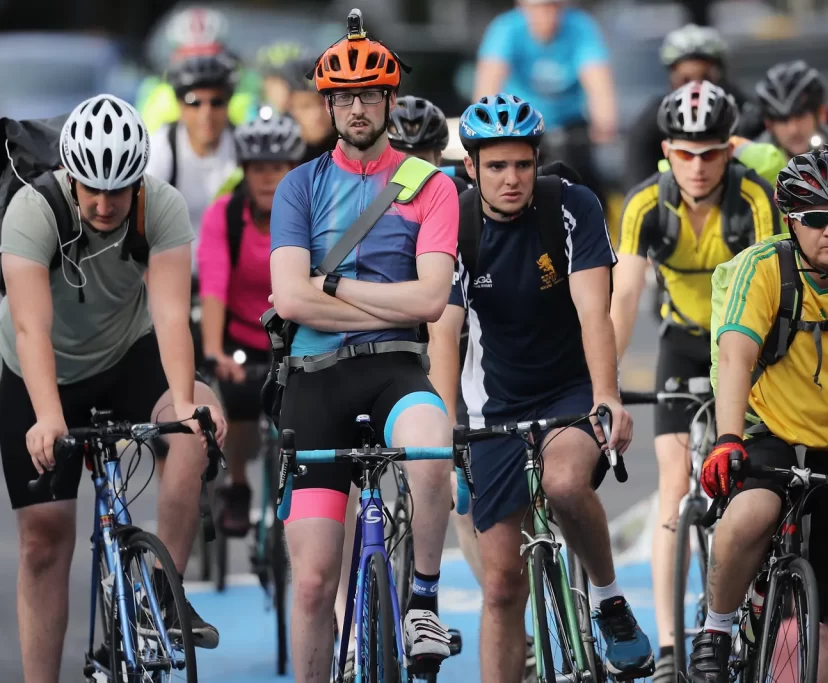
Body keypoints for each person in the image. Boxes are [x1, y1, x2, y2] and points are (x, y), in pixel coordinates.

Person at [0, 94, 228, 683]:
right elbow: (31, 328)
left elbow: (174, 316)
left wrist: (183, 406)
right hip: (37, 370)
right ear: (70, 176)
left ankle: (162, 600)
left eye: (119, 190)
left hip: (128, 354)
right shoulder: (32, 210)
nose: (105, 204)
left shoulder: (163, 207)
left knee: (197, 420)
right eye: (92, 189)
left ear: (139, 181)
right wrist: (49, 418)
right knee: (45, 539)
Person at [427, 92, 653, 682]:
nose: (511, 178)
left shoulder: (571, 205)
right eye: (496, 165)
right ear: (471, 167)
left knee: (564, 482)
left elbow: (593, 312)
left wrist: (608, 395)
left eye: (522, 163)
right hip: (494, 405)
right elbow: (444, 333)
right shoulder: (455, 224)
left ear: (536, 161)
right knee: (501, 584)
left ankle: (608, 601)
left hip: (570, 391)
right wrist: (444, 426)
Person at [268, 15, 459, 680]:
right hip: (314, 378)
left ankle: (424, 598)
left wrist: (335, 285)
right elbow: (290, 300)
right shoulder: (299, 187)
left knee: (434, 445)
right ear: (329, 105)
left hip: (395, 370)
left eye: (368, 96)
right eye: (343, 97)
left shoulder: (431, 186)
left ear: (387, 101)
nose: (355, 108)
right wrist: (384, 295)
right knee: (316, 581)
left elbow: (431, 299)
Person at [690, 147, 828, 682]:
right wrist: (726, 439)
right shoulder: (761, 268)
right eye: (814, 219)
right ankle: (717, 629)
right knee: (750, 515)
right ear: (790, 221)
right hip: (774, 431)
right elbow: (736, 353)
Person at [610, 79, 779, 682]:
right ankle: (666, 647)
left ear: (731, 149)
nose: (698, 166)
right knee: (674, 490)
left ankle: (753, 606)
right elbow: (624, 296)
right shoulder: (645, 205)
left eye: (711, 152)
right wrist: (606, 383)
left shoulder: (755, 200)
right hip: (682, 347)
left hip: (746, 345)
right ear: (666, 150)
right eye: (685, 152)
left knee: (755, 481)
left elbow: (776, 292)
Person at [197, 113, 306, 536]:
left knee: (303, 404)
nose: (268, 178)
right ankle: (238, 483)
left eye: (277, 168)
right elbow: (213, 285)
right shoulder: (223, 216)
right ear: (244, 171)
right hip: (241, 334)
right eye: (259, 168)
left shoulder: (309, 212)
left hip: (295, 334)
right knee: (241, 400)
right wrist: (214, 351)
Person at [474, 0, 617, 203]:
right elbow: (488, 80)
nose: (547, 16)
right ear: (522, 7)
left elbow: (597, 78)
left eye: (554, 7)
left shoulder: (580, 27)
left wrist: (604, 120)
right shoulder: (505, 29)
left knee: (589, 190)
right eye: (539, 8)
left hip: (569, 124)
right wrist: (483, 125)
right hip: (518, 123)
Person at [624, 24, 771, 189]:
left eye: (706, 78)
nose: (695, 87)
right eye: (685, 80)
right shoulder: (649, 124)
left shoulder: (746, 112)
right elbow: (637, 184)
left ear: (721, 76)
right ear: (671, 79)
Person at [147, 49, 241, 248]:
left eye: (217, 102)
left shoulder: (243, 147)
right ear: (180, 106)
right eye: (194, 102)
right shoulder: (161, 147)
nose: (206, 113)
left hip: (227, 268)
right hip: (171, 264)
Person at [135, 6, 259, 132]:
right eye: (191, 58)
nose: (200, 70)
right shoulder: (158, 95)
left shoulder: (246, 91)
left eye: (207, 56)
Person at [754, 60, 828, 161]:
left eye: (800, 116)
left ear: (822, 114)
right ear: (769, 125)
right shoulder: (755, 165)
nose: (793, 130)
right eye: (782, 120)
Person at [388, 95, 470, 194]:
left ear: (438, 159)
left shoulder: (456, 193)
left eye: (421, 163)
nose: (411, 172)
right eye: (400, 162)